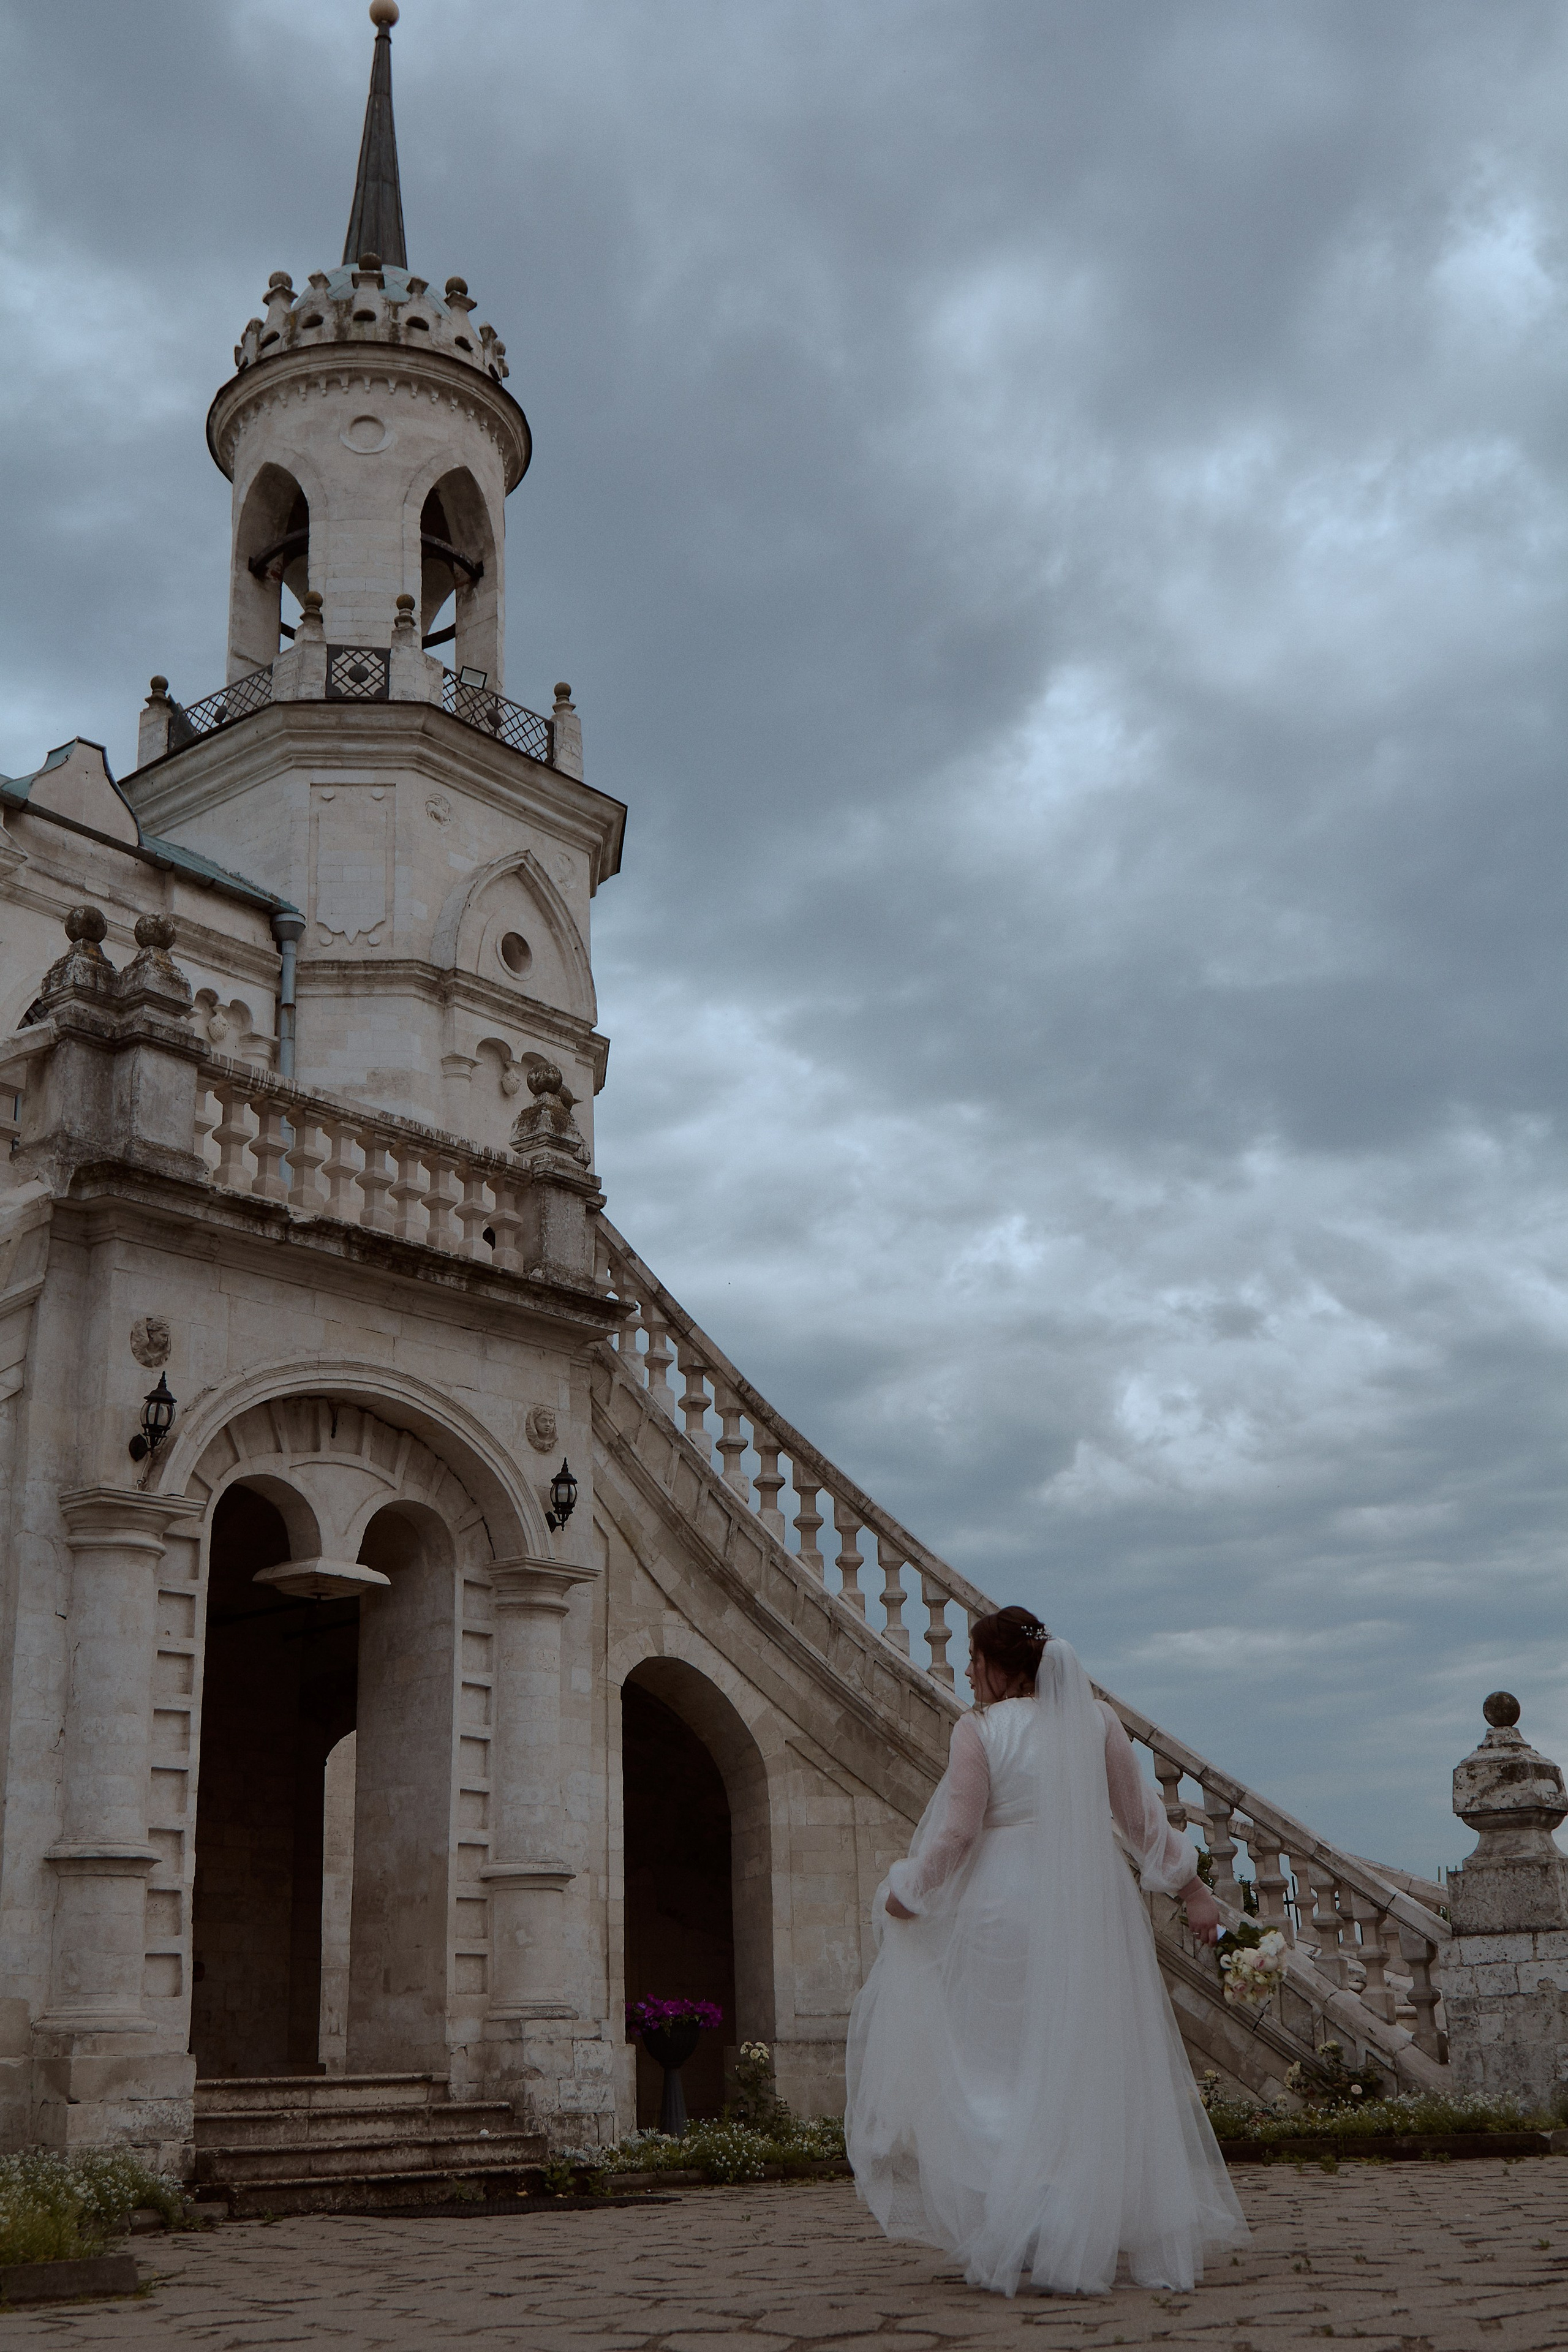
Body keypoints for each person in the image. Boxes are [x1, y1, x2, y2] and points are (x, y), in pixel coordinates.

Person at [845, 1607, 1250, 2298]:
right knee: (1076, 2053)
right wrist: (1192, 1892)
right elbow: (1140, 1819)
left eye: (975, 1660)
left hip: (1002, 1909)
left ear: (1004, 1667)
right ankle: (1068, 2215)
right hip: (1088, 1903)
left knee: (994, 2060)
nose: (967, 1673)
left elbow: (958, 1833)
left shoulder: (978, 1729)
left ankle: (1023, 2216)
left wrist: (908, 1890)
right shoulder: (1095, 1722)